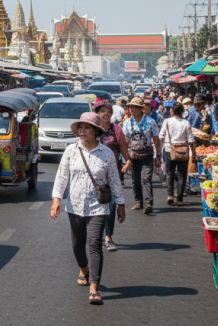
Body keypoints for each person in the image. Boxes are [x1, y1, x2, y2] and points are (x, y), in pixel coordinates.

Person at [51, 111, 126, 305]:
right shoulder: (71, 151)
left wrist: (120, 204)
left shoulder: (107, 153)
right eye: (80, 128)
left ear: (95, 131)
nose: (82, 131)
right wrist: (57, 199)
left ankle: (94, 286)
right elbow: (62, 176)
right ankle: (83, 268)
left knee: (94, 245)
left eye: (87, 128)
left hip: (98, 206)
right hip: (75, 205)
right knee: (77, 244)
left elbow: (114, 180)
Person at [92, 100, 128, 251]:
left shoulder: (117, 129)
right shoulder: (93, 129)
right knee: (96, 204)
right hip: (94, 172)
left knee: (111, 205)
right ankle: (96, 236)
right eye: (103, 111)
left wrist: (128, 162)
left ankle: (108, 237)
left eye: (108, 111)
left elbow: (122, 147)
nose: (106, 114)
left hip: (113, 172)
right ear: (97, 113)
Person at [120, 97, 161, 215]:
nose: (131, 109)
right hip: (132, 156)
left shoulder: (150, 122)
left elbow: (156, 139)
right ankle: (138, 201)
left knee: (146, 178)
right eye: (130, 107)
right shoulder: (127, 123)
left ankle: (149, 203)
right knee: (135, 180)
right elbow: (125, 140)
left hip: (147, 155)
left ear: (141, 109)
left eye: (134, 107)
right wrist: (126, 158)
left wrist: (158, 156)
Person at [159, 103, 196, 206]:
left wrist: (158, 149)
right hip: (183, 151)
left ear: (172, 111)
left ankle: (170, 195)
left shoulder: (166, 122)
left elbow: (161, 136)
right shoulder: (186, 123)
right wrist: (193, 153)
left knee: (170, 173)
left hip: (169, 149)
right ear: (182, 112)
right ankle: (179, 199)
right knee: (182, 175)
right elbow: (191, 140)